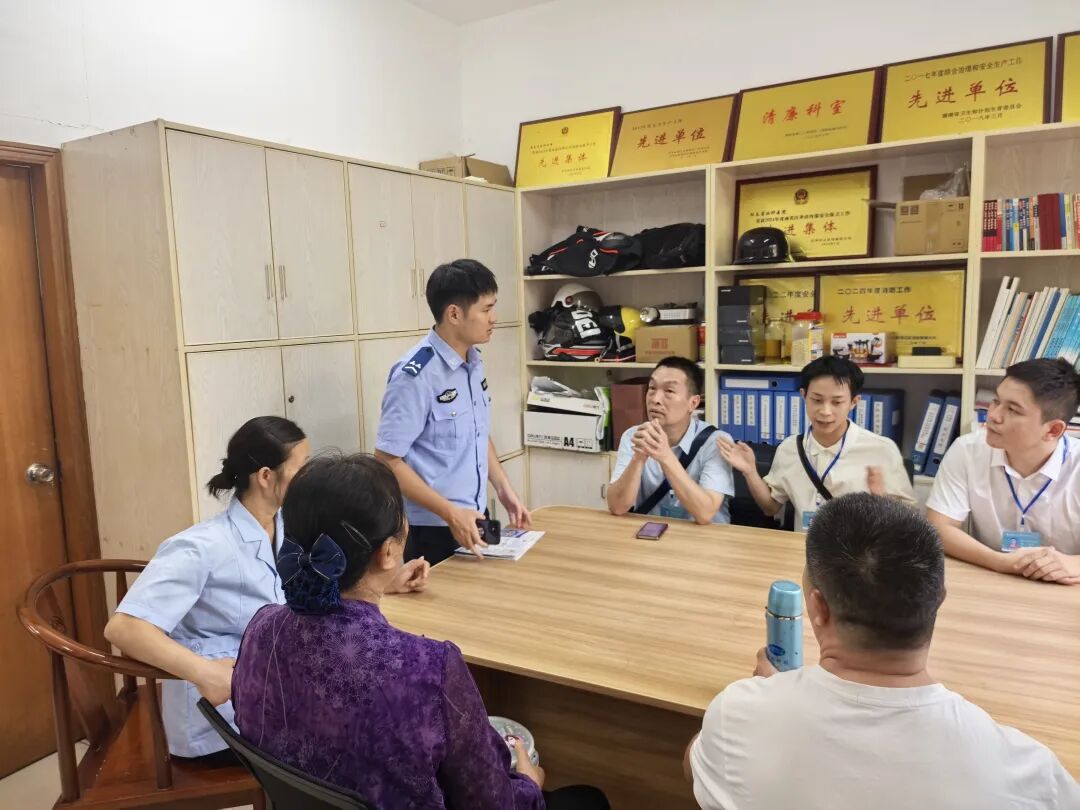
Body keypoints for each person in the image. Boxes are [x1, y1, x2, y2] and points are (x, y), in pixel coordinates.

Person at [232, 453, 609, 810]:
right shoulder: (429, 668)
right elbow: (493, 804)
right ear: (388, 552)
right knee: (588, 799)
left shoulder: (263, 629)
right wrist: (528, 782)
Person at [684, 493, 1080, 809]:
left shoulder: (740, 713)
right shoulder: (1026, 771)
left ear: (817, 607)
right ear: (939, 598)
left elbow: (695, 766)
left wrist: (773, 696)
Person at [103, 416, 432, 760]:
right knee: (367, 739)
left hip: (273, 698)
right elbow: (124, 628)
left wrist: (387, 580)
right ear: (265, 476)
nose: (310, 476)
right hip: (220, 721)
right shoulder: (201, 547)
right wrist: (204, 673)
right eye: (302, 466)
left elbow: (313, 588)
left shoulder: (288, 528)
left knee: (383, 719)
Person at [375, 259, 530, 565]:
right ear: (454, 314)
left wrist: (503, 488)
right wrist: (450, 513)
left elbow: (477, 432)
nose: (494, 318)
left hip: (473, 516)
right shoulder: (415, 375)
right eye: (486, 309)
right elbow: (387, 461)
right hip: (431, 528)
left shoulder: (473, 361)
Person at [927, 358, 1080, 584]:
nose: (993, 415)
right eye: (996, 401)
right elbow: (939, 527)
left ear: (1053, 430)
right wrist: (999, 562)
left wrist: (1075, 563)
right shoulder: (967, 450)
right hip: (990, 579)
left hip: (1065, 588)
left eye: (1013, 410)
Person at [718, 356, 915, 530]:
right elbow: (770, 507)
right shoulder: (789, 449)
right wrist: (750, 472)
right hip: (804, 551)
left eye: (837, 402)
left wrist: (882, 502)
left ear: (854, 402)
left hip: (860, 554)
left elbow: (910, 522)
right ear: (803, 396)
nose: (825, 411)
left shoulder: (881, 449)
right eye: (817, 400)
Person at [607, 356, 734, 524]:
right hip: (652, 533)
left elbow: (705, 513)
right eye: (652, 388)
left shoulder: (716, 442)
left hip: (705, 537)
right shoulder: (633, 436)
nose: (655, 399)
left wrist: (666, 457)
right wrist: (638, 458)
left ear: (693, 403)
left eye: (669, 391)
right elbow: (617, 507)